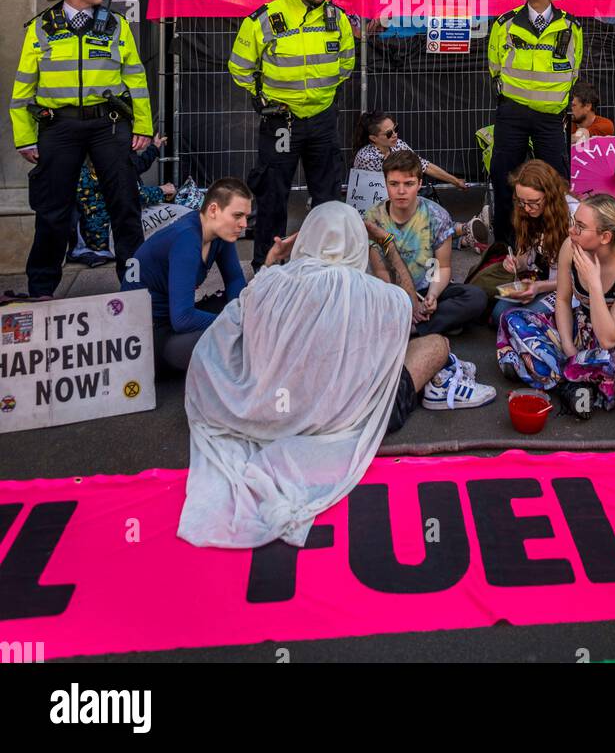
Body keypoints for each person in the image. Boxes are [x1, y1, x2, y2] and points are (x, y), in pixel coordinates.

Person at [177, 204, 491, 551]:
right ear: (357, 242)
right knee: (436, 345)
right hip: (359, 410)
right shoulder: (379, 297)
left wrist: (271, 262)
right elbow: (410, 307)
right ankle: (436, 385)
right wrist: (386, 243)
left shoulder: (269, 286)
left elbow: (231, 326)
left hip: (280, 404)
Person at [10, 0, 154, 297]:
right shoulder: (40, 28)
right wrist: (25, 139)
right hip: (58, 128)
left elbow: (136, 78)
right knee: (52, 211)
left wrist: (144, 127)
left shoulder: (116, 25)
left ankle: (135, 285)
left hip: (110, 124)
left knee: (125, 204)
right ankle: (41, 288)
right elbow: (23, 89)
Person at [228, 0, 356, 272]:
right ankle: (266, 269)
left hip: (323, 121)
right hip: (281, 122)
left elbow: (345, 65)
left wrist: (319, 95)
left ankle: (328, 266)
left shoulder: (336, 18)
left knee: (327, 199)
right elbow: (239, 68)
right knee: (273, 197)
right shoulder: (264, 20)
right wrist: (262, 96)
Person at [124, 177, 295, 376]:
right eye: (238, 215)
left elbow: (235, 282)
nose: (244, 224)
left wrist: (270, 262)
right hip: (145, 338)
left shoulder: (219, 232)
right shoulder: (187, 239)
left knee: (256, 306)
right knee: (241, 338)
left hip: (173, 320)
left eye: (246, 217)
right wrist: (240, 324)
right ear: (213, 210)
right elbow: (183, 318)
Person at [497, 193, 615, 413]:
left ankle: (555, 376)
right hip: (581, 329)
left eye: (579, 226)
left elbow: (608, 339)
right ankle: (576, 378)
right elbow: (561, 299)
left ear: (605, 237)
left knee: (613, 368)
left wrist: (595, 285)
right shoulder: (571, 246)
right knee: (511, 318)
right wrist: (569, 346)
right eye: (573, 223)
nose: (571, 231)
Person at [488, 0, 583, 242]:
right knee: (504, 179)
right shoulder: (505, 23)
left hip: (550, 118)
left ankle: (552, 242)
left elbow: (573, 69)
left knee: (555, 181)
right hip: (512, 114)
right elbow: (495, 65)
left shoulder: (570, 27)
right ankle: (506, 245)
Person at [365, 149, 493, 356]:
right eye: (394, 184)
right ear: (385, 183)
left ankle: (414, 327)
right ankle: (433, 324)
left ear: (419, 183)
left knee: (475, 297)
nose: (401, 191)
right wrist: (407, 302)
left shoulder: (436, 215)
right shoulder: (374, 218)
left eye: (408, 184)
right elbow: (381, 272)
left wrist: (432, 296)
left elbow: (441, 266)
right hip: (389, 293)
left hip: (426, 289)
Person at [467, 159, 579, 324]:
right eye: (521, 201)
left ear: (550, 195)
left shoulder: (574, 215)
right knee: (500, 313)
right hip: (536, 279)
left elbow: (580, 278)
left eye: (533, 203)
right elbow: (525, 255)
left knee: (518, 319)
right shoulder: (525, 210)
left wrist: (540, 287)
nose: (526, 208)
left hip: (566, 287)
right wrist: (516, 263)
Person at [71, 133, 175, 264]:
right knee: (174, 214)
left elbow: (137, 166)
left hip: (91, 236)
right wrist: (162, 190)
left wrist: (154, 146)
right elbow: (135, 195)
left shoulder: (84, 169)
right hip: (109, 237)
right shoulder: (110, 169)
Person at [352, 111, 468, 190]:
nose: (395, 134)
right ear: (373, 138)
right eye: (389, 133)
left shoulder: (398, 144)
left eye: (396, 128)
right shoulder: (366, 157)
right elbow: (383, 189)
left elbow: (423, 165)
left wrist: (455, 181)